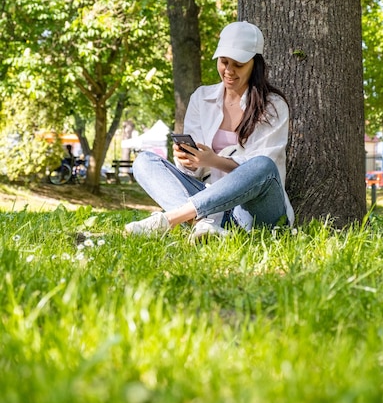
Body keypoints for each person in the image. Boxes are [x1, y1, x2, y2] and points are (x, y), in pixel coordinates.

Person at [126, 20, 294, 239]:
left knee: (263, 165)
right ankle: (209, 228)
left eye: (239, 64)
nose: (229, 71)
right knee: (143, 162)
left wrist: (212, 160)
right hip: (211, 203)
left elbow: (262, 172)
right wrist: (188, 160)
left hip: (254, 212)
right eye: (224, 62)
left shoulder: (273, 106)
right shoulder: (201, 98)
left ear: (255, 63)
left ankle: (170, 220)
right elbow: (193, 173)